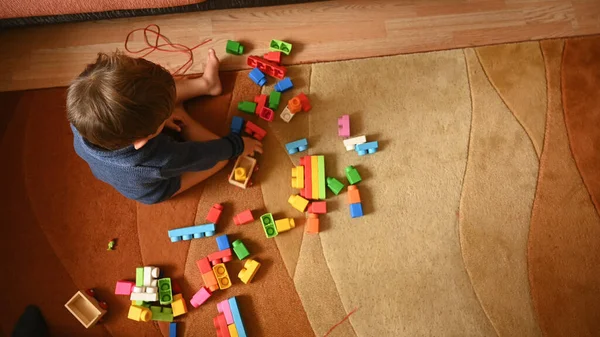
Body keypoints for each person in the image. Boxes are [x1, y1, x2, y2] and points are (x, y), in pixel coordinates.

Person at [67, 49, 262, 204]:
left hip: (120, 159)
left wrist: (158, 120)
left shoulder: (82, 118)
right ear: (143, 139)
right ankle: (184, 116)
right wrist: (238, 145)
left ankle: (207, 84)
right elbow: (202, 155)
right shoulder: (159, 159)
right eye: (163, 118)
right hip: (157, 188)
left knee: (153, 94)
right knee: (220, 160)